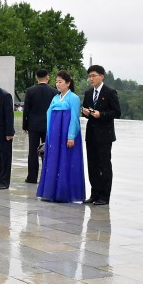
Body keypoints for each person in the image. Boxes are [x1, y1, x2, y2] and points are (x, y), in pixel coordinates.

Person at [37, 70, 86, 203]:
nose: (57, 84)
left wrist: (71, 136)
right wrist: (49, 135)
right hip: (54, 135)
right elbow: (49, 115)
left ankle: (63, 194)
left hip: (66, 135)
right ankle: (51, 192)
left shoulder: (74, 98)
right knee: (53, 161)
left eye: (60, 82)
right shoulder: (55, 98)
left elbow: (75, 118)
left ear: (68, 83)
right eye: (56, 82)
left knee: (65, 161)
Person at [81, 65, 121, 205]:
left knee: (104, 165)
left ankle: (104, 196)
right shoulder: (88, 93)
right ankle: (94, 194)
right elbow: (85, 110)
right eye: (89, 76)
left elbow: (117, 112)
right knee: (92, 165)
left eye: (93, 76)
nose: (91, 79)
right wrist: (85, 113)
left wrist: (101, 115)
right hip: (91, 134)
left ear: (101, 76)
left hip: (104, 135)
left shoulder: (110, 92)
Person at [22, 69, 57, 184]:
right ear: (47, 77)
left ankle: (32, 177)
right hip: (49, 125)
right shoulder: (54, 92)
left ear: (37, 78)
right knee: (47, 150)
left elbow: (26, 110)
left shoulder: (30, 91)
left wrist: (25, 125)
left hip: (34, 125)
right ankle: (47, 176)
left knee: (33, 151)